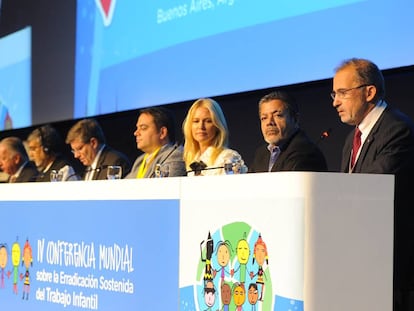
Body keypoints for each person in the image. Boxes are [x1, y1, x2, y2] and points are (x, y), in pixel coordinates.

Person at [331, 58, 414, 311]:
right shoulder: (352, 138)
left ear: (369, 92)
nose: (335, 102)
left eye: (343, 93)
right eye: (334, 94)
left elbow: (370, 188)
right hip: (361, 260)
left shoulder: (397, 130)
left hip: (392, 267)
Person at [249, 90, 327, 172]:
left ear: (295, 119)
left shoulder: (305, 152)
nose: (269, 122)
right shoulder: (261, 153)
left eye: (278, 115)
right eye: (264, 118)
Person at [182, 98, 247, 176]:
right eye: (196, 121)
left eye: (208, 121)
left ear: (217, 126)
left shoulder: (228, 157)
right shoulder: (193, 160)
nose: (201, 126)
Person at [125, 107, 186, 178]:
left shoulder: (176, 155)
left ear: (162, 133)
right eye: (137, 128)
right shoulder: (140, 160)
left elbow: (164, 187)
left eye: (143, 128)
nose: (136, 133)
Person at [65, 118, 131, 180]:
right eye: (74, 151)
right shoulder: (90, 167)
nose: (76, 155)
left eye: (80, 149)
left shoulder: (115, 162)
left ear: (93, 143)